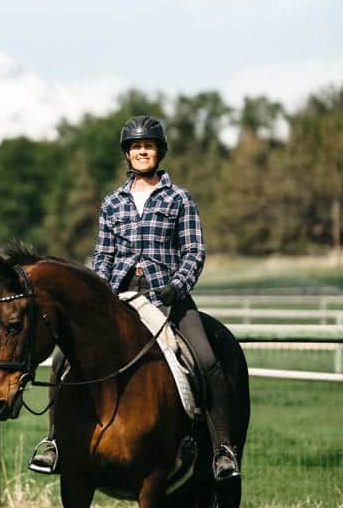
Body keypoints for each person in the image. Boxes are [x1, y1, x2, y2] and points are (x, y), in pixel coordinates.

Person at [29, 115, 240, 482]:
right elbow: (103, 255)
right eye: (136, 147)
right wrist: (99, 294)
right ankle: (54, 442)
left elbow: (194, 250)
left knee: (206, 358)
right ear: (127, 154)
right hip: (118, 296)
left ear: (159, 152)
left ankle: (223, 448)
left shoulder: (179, 199)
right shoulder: (112, 202)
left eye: (149, 146)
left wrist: (180, 284)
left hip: (168, 296)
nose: (142, 152)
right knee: (63, 358)